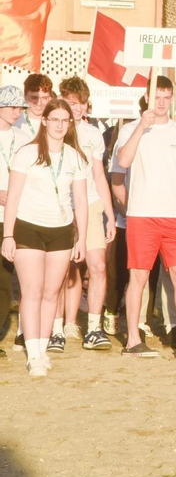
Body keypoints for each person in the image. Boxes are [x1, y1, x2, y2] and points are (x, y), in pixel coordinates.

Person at [118, 77, 176, 359]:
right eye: (158, 96)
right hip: (142, 215)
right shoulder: (132, 128)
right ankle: (133, 339)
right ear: (147, 96)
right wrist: (142, 127)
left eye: (168, 96)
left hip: (174, 216)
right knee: (139, 276)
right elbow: (122, 162)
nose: (162, 101)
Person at [2, 98, 89, 376]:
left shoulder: (74, 156)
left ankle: (43, 346)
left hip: (61, 230)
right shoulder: (27, 153)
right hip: (28, 227)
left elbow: (82, 201)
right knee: (32, 291)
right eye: (55, 120)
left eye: (65, 120)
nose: (60, 125)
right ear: (45, 121)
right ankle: (34, 354)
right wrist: (8, 235)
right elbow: (13, 196)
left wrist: (83, 238)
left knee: (52, 293)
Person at [57, 78, 116, 351]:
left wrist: (110, 215)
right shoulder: (55, 130)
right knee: (65, 269)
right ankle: (62, 325)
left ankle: (94, 327)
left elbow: (99, 175)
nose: (76, 108)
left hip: (92, 206)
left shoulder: (93, 134)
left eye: (80, 103)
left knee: (98, 265)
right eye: (70, 102)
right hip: (62, 207)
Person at [0, 85, 31, 352]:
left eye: (20, 107)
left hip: (16, 217)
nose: (17, 112)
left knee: (6, 279)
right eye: (12, 107)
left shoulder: (24, 138)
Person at [18, 73, 52, 138]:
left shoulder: (55, 121)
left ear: (50, 98)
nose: (39, 103)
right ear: (25, 96)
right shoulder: (15, 121)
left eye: (44, 98)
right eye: (34, 98)